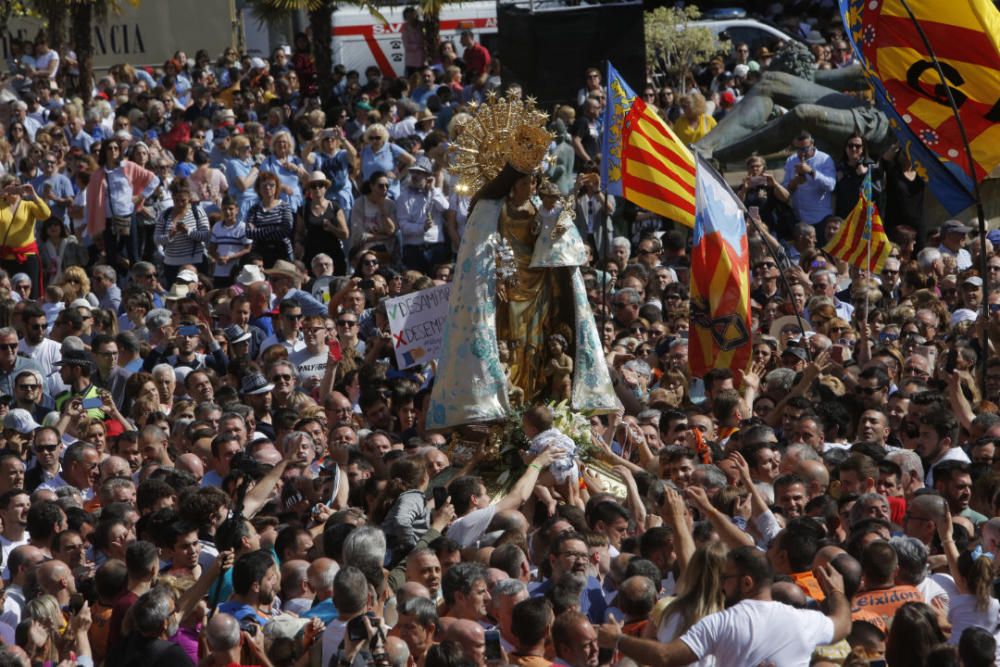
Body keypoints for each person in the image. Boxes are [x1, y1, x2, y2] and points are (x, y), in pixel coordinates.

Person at [597, 546, 851, 666]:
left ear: (747, 582)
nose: (722, 585)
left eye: (726, 578)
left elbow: (665, 657)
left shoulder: (721, 622)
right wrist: (836, 591)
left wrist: (618, 639)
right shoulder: (803, 621)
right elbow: (842, 624)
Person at [245, 171, 293, 267]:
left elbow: (286, 230)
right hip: (259, 255)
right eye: (264, 185)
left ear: (277, 187)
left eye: (271, 185)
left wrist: (258, 232)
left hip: (282, 252)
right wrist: (275, 228)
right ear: (258, 188)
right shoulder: (253, 209)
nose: (268, 188)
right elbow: (249, 232)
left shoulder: (284, 206)